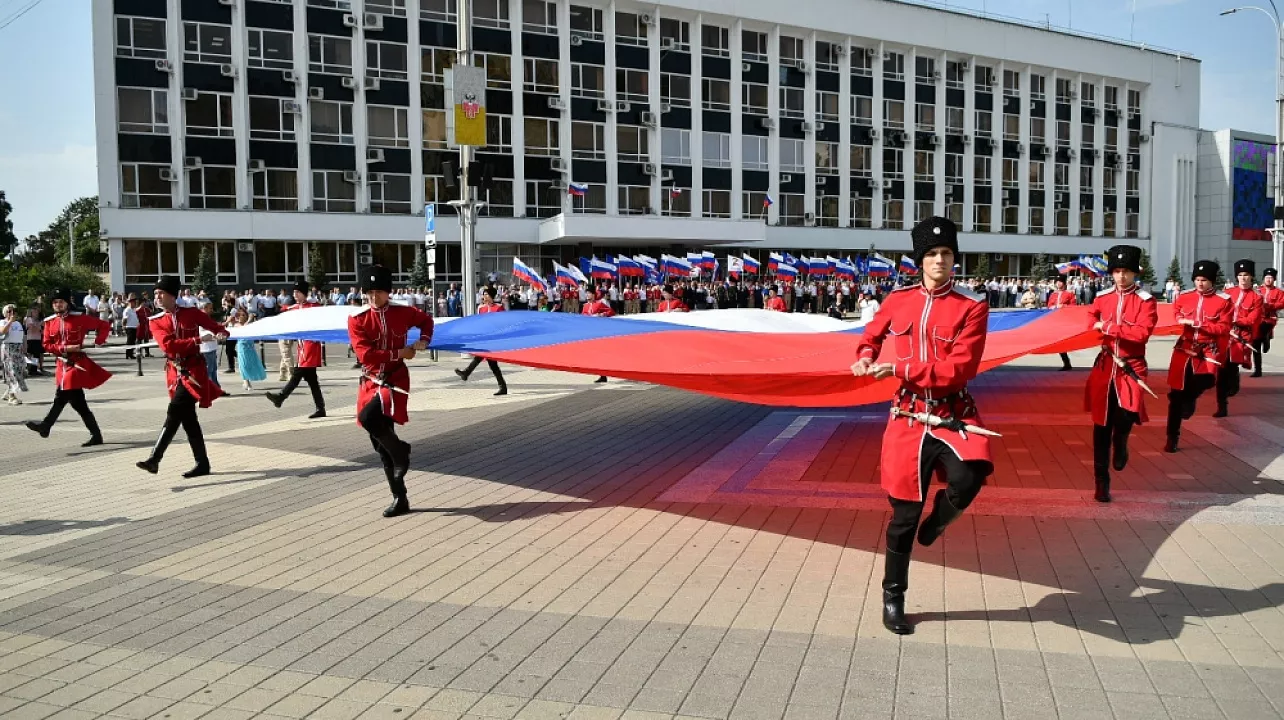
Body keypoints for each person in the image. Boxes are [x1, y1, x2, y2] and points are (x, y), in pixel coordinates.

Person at [851, 217, 993, 636]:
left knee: (971, 476)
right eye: (931, 254)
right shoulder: (898, 299)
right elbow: (872, 334)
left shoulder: (973, 305)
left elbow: (959, 367)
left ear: (954, 259)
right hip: (908, 416)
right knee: (902, 516)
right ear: (919, 260)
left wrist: (898, 366)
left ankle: (939, 522)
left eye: (946, 253)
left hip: (953, 411)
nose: (939, 260)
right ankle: (893, 598)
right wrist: (864, 354)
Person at [349, 265, 434, 517]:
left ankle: (401, 452)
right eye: (370, 292)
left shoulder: (403, 312)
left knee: (369, 419)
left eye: (379, 292)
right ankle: (400, 497)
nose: (374, 297)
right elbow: (366, 355)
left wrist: (424, 340)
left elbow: (426, 321)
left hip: (395, 379)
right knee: (379, 445)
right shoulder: (358, 319)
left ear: (389, 292)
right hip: (370, 381)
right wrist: (401, 352)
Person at [136, 275, 229, 478]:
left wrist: (222, 333)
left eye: (161, 293)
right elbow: (168, 346)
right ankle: (202, 463)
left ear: (172, 295)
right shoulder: (156, 321)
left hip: (193, 371)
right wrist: (197, 339)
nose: (157, 297)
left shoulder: (191, 313)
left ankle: (154, 458)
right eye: (156, 294)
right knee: (188, 420)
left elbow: (216, 327)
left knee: (175, 411)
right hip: (174, 372)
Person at [1085, 245, 1157, 503]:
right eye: (1116, 271)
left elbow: (1141, 334)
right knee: (1100, 425)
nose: (1121, 277)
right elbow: (1089, 320)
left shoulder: (1146, 301)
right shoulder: (1102, 298)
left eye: (1126, 271)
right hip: (1106, 367)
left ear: (1135, 272)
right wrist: (1093, 324)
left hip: (1132, 366)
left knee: (1127, 414)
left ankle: (1122, 439)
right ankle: (1101, 482)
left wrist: (1109, 327)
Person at [25, 288, 111, 447]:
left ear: (67, 303)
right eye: (55, 302)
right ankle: (96, 435)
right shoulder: (50, 322)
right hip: (61, 364)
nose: (58, 305)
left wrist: (99, 340)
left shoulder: (80, 318)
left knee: (62, 395)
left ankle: (46, 425)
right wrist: (64, 348)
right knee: (79, 404)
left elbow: (104, 325)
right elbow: (46, 345)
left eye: (61, 302)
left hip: (76, 364)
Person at [1164, 261, 1231, 453]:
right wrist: (1179, 319)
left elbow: (1224, 327)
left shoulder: (1224, 300)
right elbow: (1175, 312)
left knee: (1208, 380)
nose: (1200, 283)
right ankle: (1172, 437)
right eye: (1197, 279)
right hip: (1184, 348)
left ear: (1212, 281)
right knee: (1175, 396)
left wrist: (1200, 324)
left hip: (1207, 348)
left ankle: (1191, 397)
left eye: (1205, 280)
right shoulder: (1184, 296)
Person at [267, 281, 327, 417]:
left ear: (304, 293)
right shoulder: (295, 308)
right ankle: (320, 408)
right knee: (312, 381)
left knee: (298, 373)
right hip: (302, 346)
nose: (294, 295)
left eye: (297, 292)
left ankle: (281, 397)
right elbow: (282, 314)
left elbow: (322, 316)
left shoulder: (313, 306)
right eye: (294, 292)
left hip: (311, 345)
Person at [1215, 259, 1264, 418]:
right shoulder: (1229, 293)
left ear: (1251, 277)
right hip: (1224, 336)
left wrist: (1235, 321)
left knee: (1231, 367)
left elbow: (1252, 319)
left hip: (1240, 338)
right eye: (1240, 275)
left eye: (1246, 275)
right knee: (1221, 371)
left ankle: (1234, 382)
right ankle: (1222, 406)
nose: (1243, 278)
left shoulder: (1256, 297)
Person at [454, 287, 508, 396]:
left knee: (485, 359)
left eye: (487, 294)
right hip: (484, 338)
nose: (484, 296)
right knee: (492, 364)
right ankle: (502, 387)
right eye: (484, 294)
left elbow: (503, 323)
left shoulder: (498, 308)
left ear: (492, 296)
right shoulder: (481, 308)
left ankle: (466, 373)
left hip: (493, 339)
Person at [1253, 268, 1284, 377]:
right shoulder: (1258, 290)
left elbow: (1282, 303)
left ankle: (1266, 338)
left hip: (1270, 319)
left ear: (1274, 279)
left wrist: (1270, 306)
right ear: (1264, 278)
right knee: (1255, 344)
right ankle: (1258, 370)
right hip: (1257, 319)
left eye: (1271, 278)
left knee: (1264, 329)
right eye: (1267, 278)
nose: (1269, 280)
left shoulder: (1279, 292)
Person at [582, 286, 614, 383]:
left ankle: (603, 374)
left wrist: (601, 315)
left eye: (589, 293)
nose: (587, 295)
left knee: (601, 353)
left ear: (593, 295)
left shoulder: (599, 304)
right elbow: (582, 317)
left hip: (599, 333)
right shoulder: (585, 306)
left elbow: (611, 311)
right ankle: (601, 374)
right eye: (586, 293)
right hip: (590, 333)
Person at [1046, 274, 1078, 371]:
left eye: (1060, 281)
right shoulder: (1053, 294)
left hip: (1065, 321)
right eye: (1057, 281)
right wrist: (1054, 307)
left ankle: (1067, 363)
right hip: (1056, 321)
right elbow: (1049, 306)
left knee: (1064, 342)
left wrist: (1063, 306)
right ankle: (1066, 362)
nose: (1058, 283)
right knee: (1059, 343)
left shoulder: (1069, 294)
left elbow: (1073, 307)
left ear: (1064, 283)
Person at [1, 304, 28, 404]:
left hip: (18, 348)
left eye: (14, 311)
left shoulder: (18, 323)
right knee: (12, 372)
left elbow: (22, 336)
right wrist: (9, 322)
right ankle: (12, 396)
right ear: (5, 313)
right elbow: (2, 332)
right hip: (8, 348)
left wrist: (25, 348)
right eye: (9, 311)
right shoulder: (2, 322)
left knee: (20, 372)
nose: (12, 313)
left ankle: (9, 392)